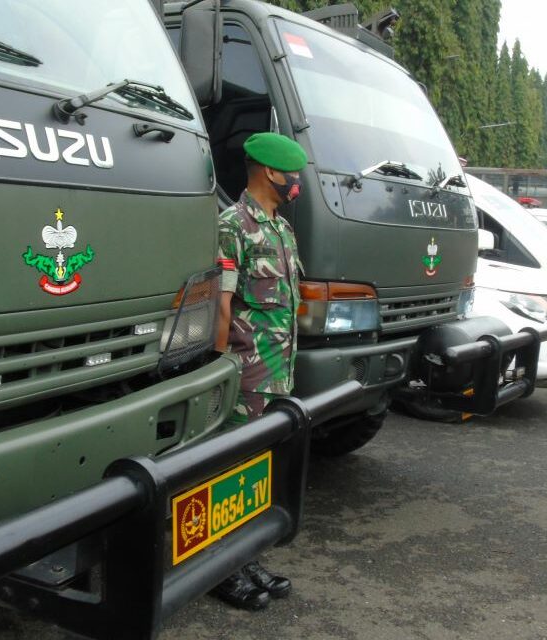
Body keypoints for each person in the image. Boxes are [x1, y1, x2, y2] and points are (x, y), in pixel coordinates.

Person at [211, 132, 306, 610]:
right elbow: (221, 307)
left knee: (257, 470)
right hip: (246, 374)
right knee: (229, 468)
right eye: (294, 174)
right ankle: (220, 570)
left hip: (278, 374)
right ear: (272, 172)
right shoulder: (232, 226)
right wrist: (222, 368)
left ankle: (245, 557)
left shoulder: (282, 230)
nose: (298, 182)